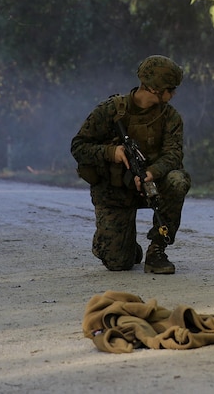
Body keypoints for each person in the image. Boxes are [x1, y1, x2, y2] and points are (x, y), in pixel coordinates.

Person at [70, 55, 192, 274]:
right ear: (155, 89)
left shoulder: (170, 117)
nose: (174, 94)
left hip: (149, 185)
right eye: (170, 89)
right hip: (115, 189)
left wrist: (151, 173)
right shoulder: (110, 111)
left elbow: (173, 154)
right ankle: (120, 244)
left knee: (177, 180)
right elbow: (78, 147)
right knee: (118, 263)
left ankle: (157, 250)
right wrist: (111, 152)